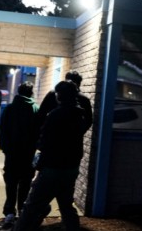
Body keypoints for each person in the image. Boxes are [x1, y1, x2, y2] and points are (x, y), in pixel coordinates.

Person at [14, 80, 91, 231]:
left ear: (60, 96)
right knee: (66, 205)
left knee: (32, 206)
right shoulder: (79, 115)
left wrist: (40, 161)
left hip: (52, 167)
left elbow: (45, 142)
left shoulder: (55, 115)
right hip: (71, 166)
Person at [0, 81, 40, 229]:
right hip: (28, 154)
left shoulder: (10, 109)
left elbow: (2, 129)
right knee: (25, 182)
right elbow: (39, 132)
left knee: (11, 183)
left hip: (12, 153)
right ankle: (22, 210)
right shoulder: (35, 109)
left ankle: (9, 213)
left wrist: (4, 147)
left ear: (18, 91)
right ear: (31, 93)